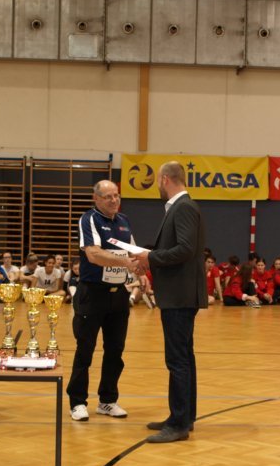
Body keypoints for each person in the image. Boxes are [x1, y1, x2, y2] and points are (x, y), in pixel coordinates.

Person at [134, 161, 206, 443]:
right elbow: (179, 248)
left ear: (164, 179)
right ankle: (184, 416)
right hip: (180, 294)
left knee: (177, 359)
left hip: (179, 295)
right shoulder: (182, 206)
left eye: (157, 180)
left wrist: (150, 257)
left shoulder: (183, 207)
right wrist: (149, 257)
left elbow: (185, 249)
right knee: (184, 357)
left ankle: (178, 424)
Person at [66, 180, 140, 422]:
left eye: (116, 195)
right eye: (108, 196)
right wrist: (125, 262)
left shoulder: (124, 221)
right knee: (85, 350)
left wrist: (144, 263)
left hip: (118, 296)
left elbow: (133, 251)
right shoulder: (89, 219)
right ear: (96, 198)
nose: (114, 200)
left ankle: (107, 400)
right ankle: (77, 402)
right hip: (92, 294)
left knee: (115, 350)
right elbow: (93, 254)